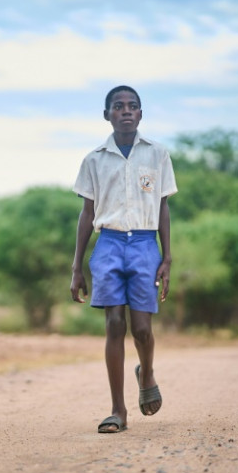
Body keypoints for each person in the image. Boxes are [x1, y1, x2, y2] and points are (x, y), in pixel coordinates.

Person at [70, 85, 178, 433]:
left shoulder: (157, 155)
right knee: (115, 324)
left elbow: (163, 208)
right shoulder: (94, 159)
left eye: (133, 106)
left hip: (146, 244)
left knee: (142, 329)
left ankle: (146, 372)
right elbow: (87, 213)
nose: (126, 111)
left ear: (141, 114)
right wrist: (76, 267)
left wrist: (167, 257)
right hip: (109, 244)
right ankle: (119, 410)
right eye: (118, 106)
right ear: (108, 115)